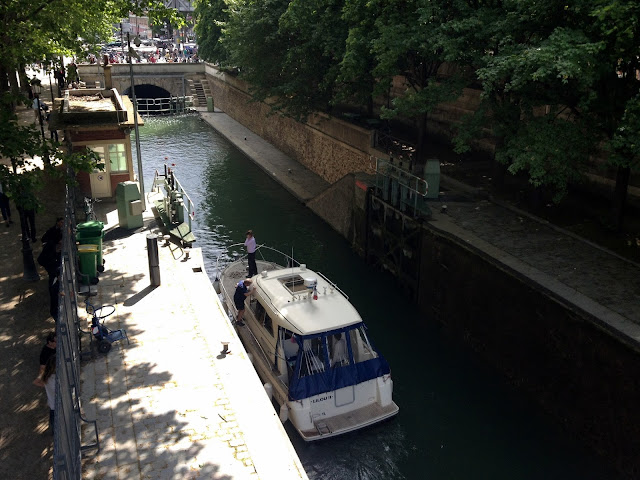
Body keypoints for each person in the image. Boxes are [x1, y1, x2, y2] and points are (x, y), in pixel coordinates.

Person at [33, 355, 56, 434]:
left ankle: (53, 430)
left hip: (51, 402)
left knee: (52, 417)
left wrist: (45, 385)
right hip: (56, 404)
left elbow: (35, 382)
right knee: (55, 420)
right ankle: (54, 431)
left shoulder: (46, 376)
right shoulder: (55, 378)